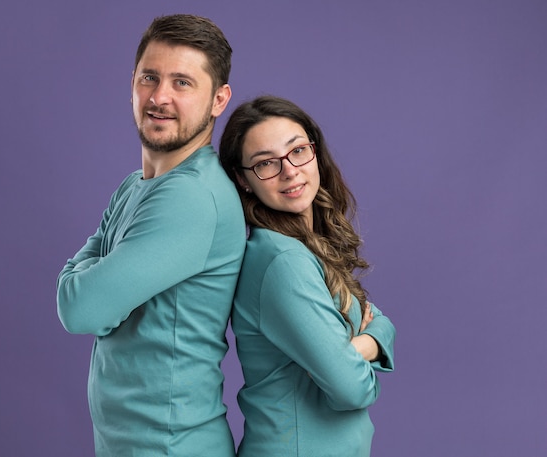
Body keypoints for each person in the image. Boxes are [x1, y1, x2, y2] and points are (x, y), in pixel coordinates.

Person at [56, 15, 246, 457]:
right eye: (150, 78)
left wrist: (91, 284)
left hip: (171, 447)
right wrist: (97, 285)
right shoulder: (134, 185)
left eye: (182, 82)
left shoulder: (192, 196)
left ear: (219, 100)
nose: (159, 97)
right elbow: (91, 294)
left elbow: (79, 308)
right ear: (132, 84)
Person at [219, 95, 396, 457]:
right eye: (266, 163)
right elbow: (352, 390)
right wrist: (364, 346)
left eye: (298, 151)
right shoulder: (281, 261)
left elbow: (380, 321)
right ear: (244, 179)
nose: (290, 171)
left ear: (315, 151)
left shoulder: (304, 248)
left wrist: (364, 342)